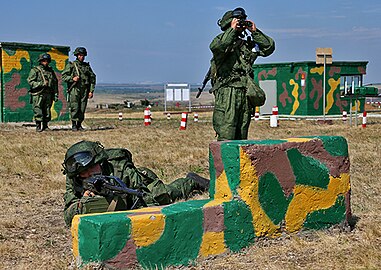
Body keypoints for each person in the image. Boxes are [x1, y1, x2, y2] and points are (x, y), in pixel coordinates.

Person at [62, 140, 209, 226]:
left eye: (91, 168)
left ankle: (191, 181)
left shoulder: (121, 169)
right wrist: (82, 204)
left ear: (100, 162)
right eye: (83, 173)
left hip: (142, 187)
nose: (88, 174)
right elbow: (68, 217)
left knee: (166, 194)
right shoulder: (75, 178)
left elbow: (147, 202)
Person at [210, 7, 275, 140]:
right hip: (227, 92)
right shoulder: (222, 42)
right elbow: (218, 47)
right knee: (227, 132)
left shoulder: (247, 45)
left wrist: (255, 32)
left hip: (244, 92)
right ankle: (225, 160)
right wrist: (232, 30)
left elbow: (269, 47)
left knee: (241, 134)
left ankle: (240, 159)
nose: (240, 25)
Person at [62, 47, 96, 131]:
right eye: (80, 55)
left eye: (83, 55)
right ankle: (74, 124)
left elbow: (92, 78)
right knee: (75, 107)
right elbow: (63, 76)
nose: (82, 57)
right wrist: (72, 78)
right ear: (77, 55)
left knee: (82, 108)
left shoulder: (86, 66)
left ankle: (79, 124)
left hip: (84, 90)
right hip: (74, 89)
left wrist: (91, 91)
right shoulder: (72, 65)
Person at [27, 53, 58, 132]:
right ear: (40, 61)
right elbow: (30, 81)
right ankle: (38, 126)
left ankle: (45, 126)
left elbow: (55, 82)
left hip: (48, 93)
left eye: (47, 61)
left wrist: (55, 94)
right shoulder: (35, 70)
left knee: (47, 110)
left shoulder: (50, 71)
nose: (46, 62)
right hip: (38, 94)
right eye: (44, 61)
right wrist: (41, 84)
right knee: (38, 109)